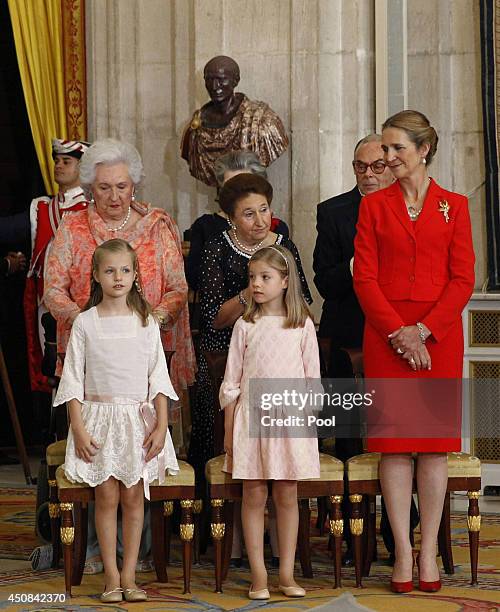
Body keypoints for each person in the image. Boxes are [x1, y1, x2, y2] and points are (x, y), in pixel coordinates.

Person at [44, 138, 195, 571]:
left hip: (142, 357)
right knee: (98, 456)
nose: (114, 197)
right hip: (90, 359)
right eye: (105, 187)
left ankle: (141, 553)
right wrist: (90, 326)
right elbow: (53, 289)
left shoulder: (156, 225)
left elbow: (177, 288)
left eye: (123, 187)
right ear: (90, 187)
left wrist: (144, 323)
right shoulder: (72, 228)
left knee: (138, 453)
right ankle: (95, 553)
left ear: (134, 185)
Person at [353, 110, 475, 593]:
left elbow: (463, 278)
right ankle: (402, 551)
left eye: (396, 148)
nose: (387, 157)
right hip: (387, 339)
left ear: (423, 150)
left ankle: (428, 553)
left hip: (437, 338)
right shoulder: (374, 206)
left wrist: (422, 331)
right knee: (395, 448)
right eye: (384, 148)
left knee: (433, 447)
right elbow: (364, 277)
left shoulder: (456, 206)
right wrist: (399, 333)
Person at [53, 239, 179, 603]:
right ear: (96, 275)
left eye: (125, 270)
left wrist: (160, 425)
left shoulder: (146, 322)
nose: (118, 277)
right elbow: (73, 381)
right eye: (110, 270)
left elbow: (158, 377)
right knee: (105, 497)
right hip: (98, 422)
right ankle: (110, 576)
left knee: (134, 498)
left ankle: (130, 575)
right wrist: (77, 429)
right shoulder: (85, 323)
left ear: (136, 275)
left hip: (137, 422)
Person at [313, 134, 418, 565]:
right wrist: (360, 263)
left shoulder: (410, 205)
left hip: (400, 340)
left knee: (401, 440)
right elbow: (325, 283)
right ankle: (354, 542)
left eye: (378, 166)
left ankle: (401, 542)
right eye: (361, 167)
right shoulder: (333, 211)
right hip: (349, 339)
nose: (370, 174)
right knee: (351, 442)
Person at [188, 173, 311, 489]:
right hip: (225, 354)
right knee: (209, 409)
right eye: (249, 213)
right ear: (230, 218)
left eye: (265, 209)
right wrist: (253, 289)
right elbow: (213, 317)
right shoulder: (217, 248)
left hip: (277, 356)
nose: (260, 221)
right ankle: (215, 523)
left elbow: (301, 303)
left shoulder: (285, 247)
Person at [220, 245, 320, 600]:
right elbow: (231, 385)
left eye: (265, 277)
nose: (257, 285)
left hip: (290, 419)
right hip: (251, 421)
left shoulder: (301, 325)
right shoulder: (245, 325)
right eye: (252, 278)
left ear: (284, 281)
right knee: (254, 494)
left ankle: (288, 574)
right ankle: (259, 575)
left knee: (287, 495)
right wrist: (230, 433)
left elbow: (313, 384)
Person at [0, 138, 90, 392]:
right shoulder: (41, 207)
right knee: (52, 373)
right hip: (46, 302)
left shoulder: (93, 209)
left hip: (80, 303)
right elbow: (7, 229)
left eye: (67, 161)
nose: (59, 166)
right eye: (57, 161)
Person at [185, 150, 289, 291]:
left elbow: (288, 280)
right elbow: (195, 280)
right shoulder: (206, 225)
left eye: (246, 184)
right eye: (231, 187)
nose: (239, 191)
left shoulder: (276, 229)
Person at [181, 55, 288, 186]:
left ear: (235, 80)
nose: (214, 86)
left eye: (221, 79)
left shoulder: (263, 121)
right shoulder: (196, 127)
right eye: (209, 79)